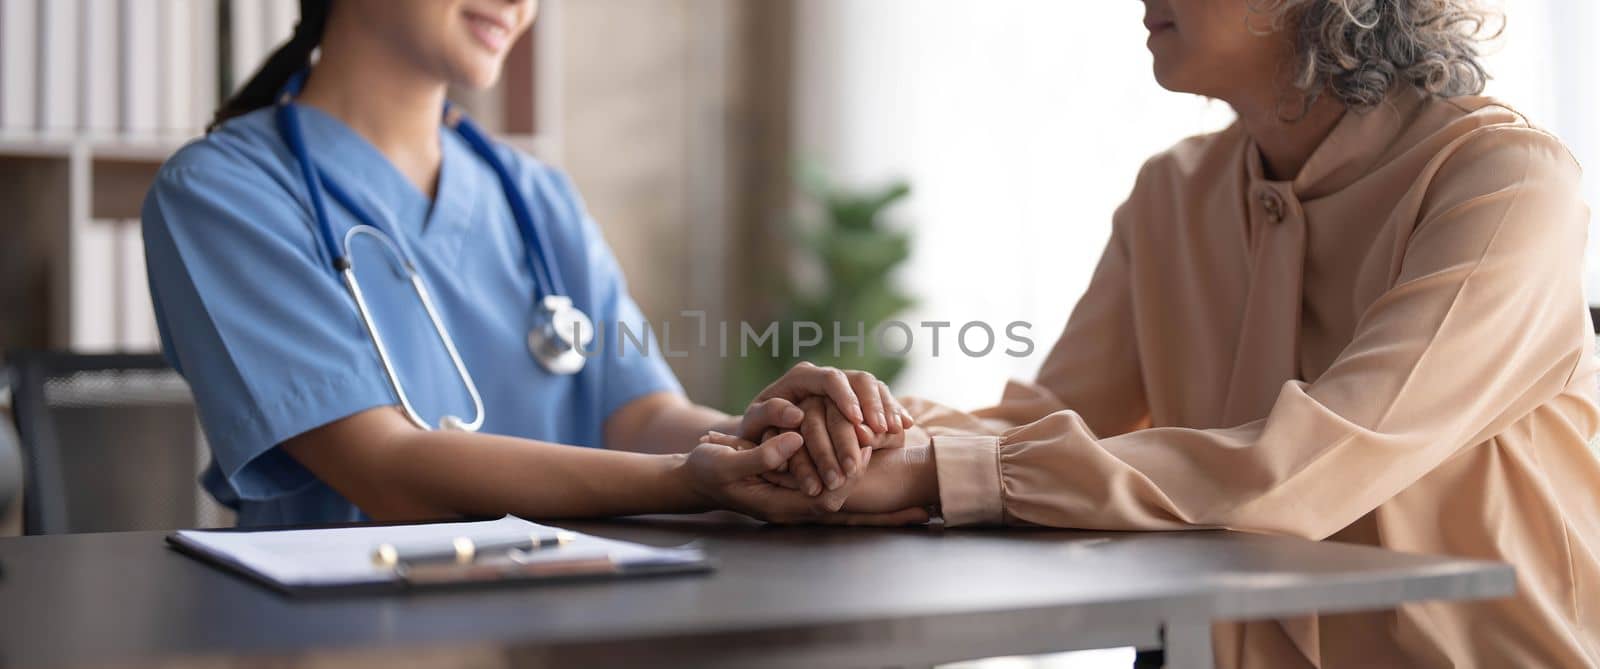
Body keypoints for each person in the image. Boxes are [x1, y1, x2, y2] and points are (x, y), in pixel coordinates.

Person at [760, 0, 1600, 665]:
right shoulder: (1172, 194)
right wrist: (850, 436)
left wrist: (935, 471)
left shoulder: (1505, 183)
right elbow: (1048, 419)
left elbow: (1303, 465)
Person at [142, 0, 923, 528]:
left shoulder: (533, 194)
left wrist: (769, 441)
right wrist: (685, 480)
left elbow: (643, 417)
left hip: (567, 627)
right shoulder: (222, 193)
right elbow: (386, 466)